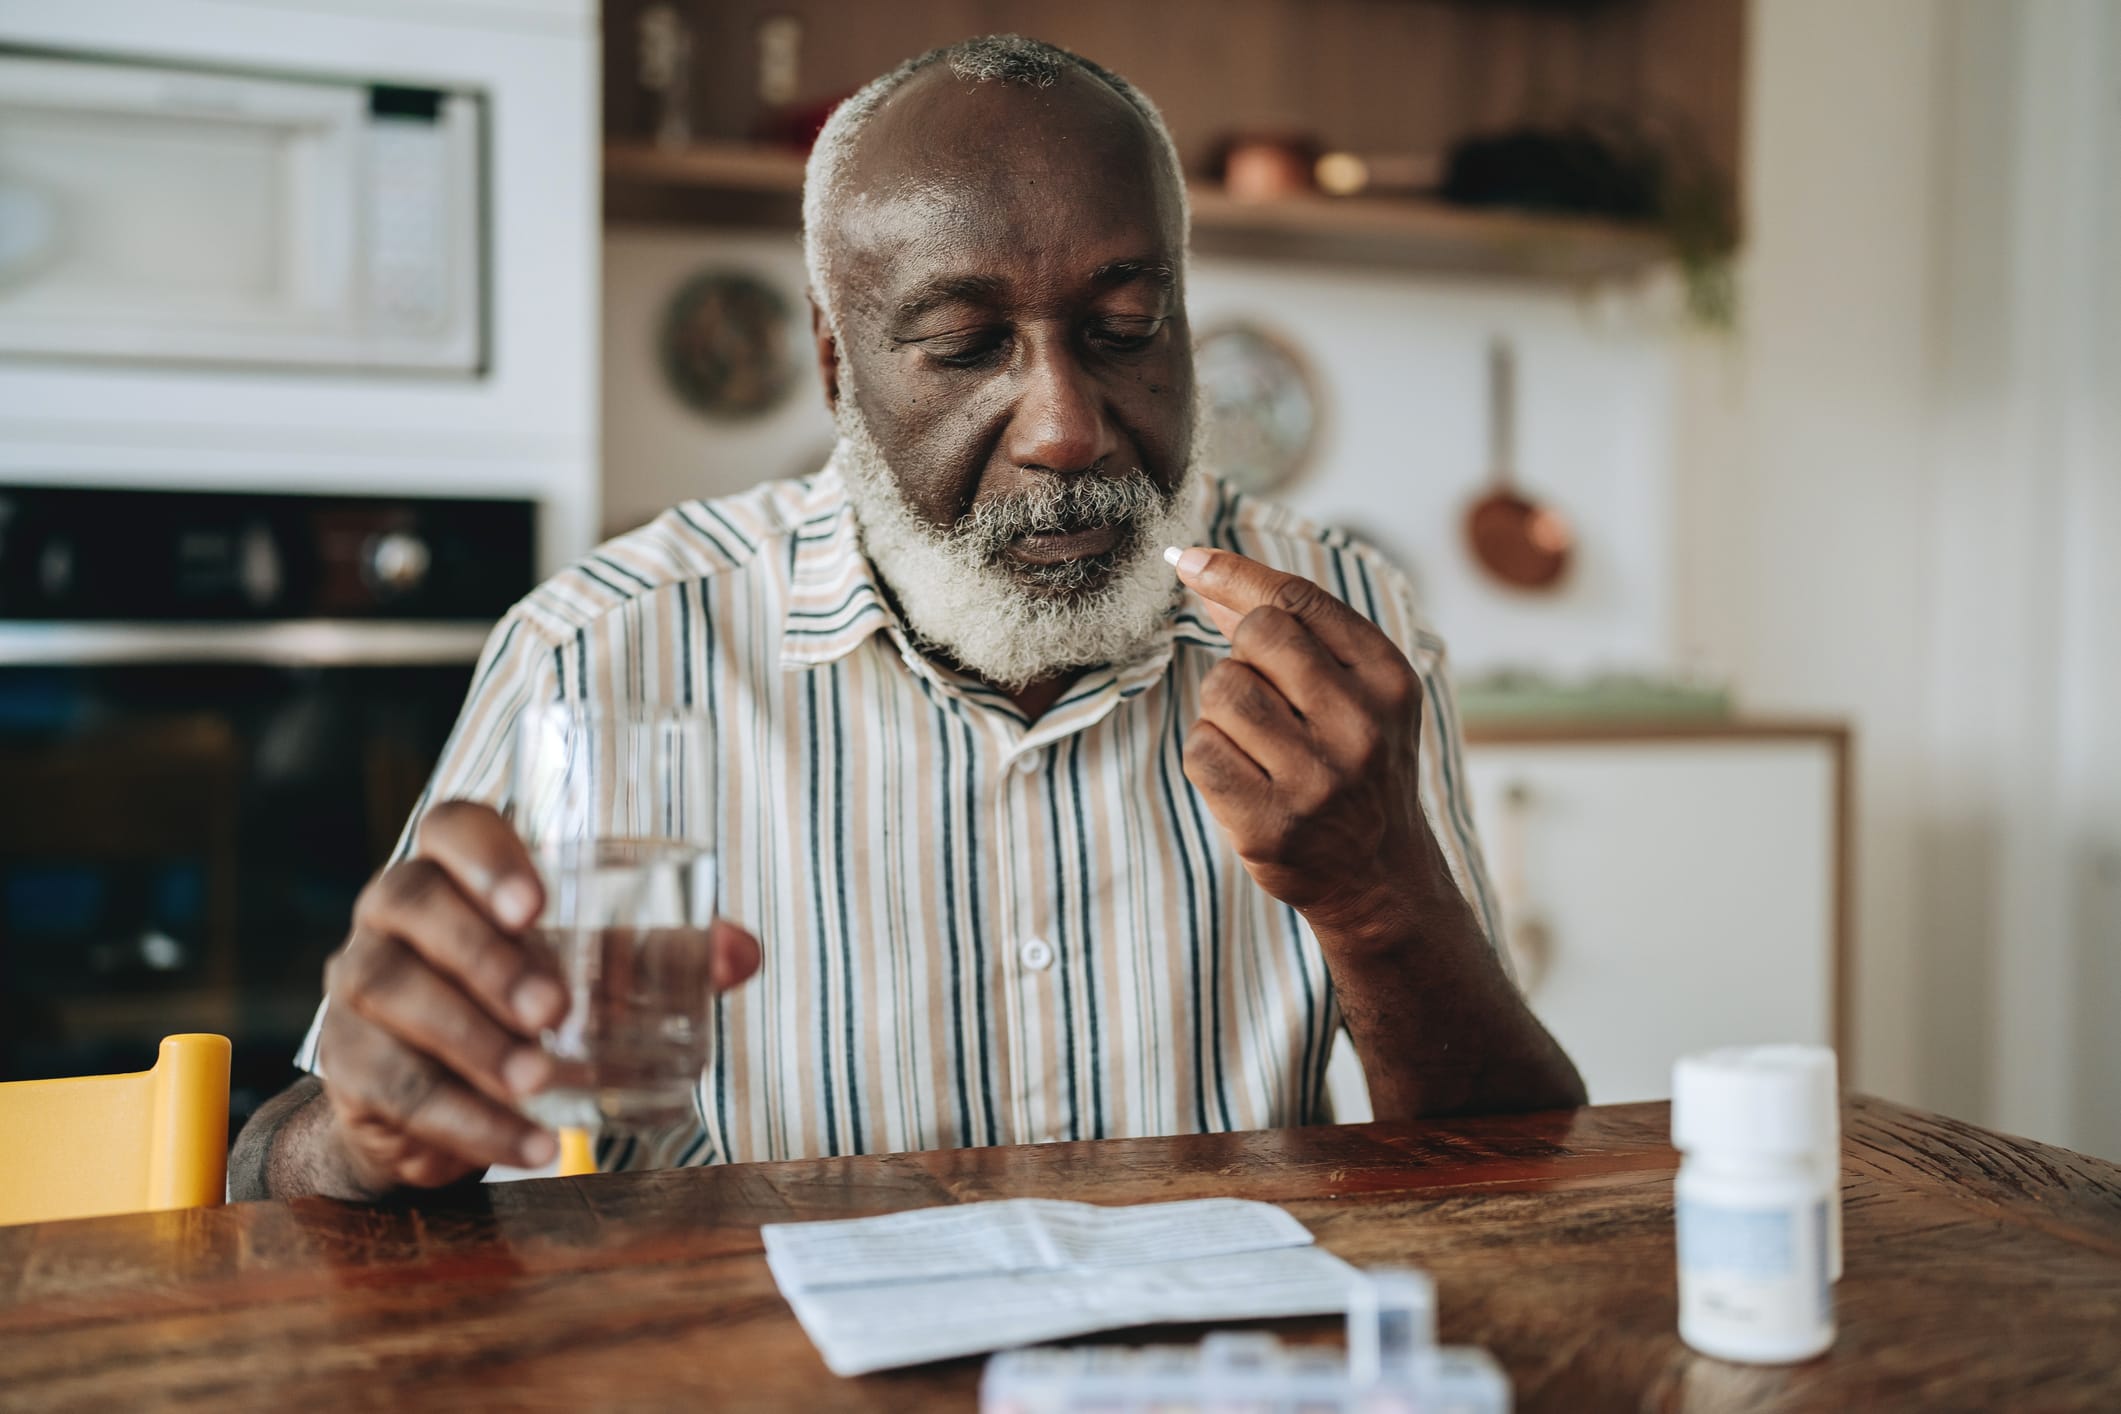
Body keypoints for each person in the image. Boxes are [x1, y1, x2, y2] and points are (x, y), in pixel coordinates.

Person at [231, 34, 1584, 1202]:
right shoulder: (604, 644)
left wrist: (1382, 896)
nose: (1064, 425)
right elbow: (285, 1181)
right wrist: (350, 1138)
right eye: (964, 345)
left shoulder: (1339, 628)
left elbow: (1525, 1169)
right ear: (836, 363)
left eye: (1123, 327)